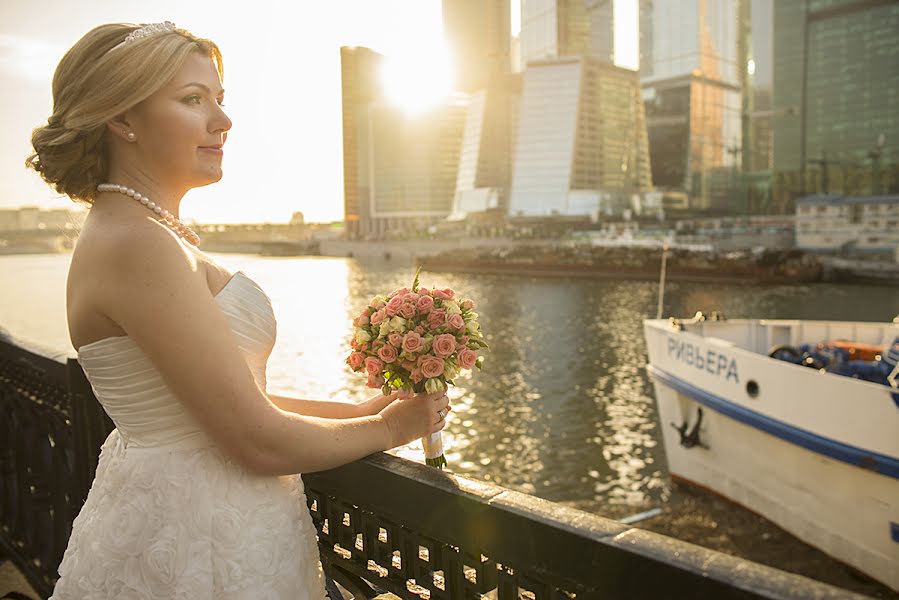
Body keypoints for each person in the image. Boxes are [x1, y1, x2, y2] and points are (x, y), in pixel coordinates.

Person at [26, 21, 451, 599]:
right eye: (193, 100)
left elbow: (225, 402)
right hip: (199, 539)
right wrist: (389, 427)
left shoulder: (137, 232)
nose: (222, 122)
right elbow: (255, 439)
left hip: (190, 516)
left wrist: (354, 411)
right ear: (123, 120)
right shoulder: (139, 243)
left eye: (219, 99)